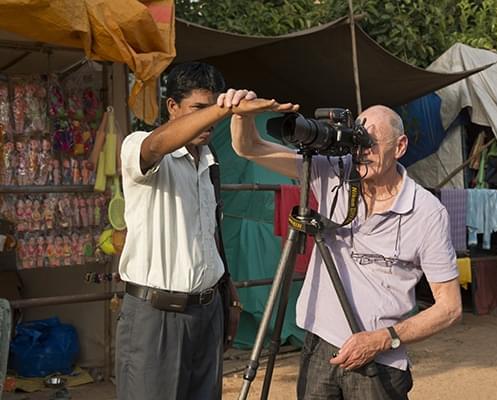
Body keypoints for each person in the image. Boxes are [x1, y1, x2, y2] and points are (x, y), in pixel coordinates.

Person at [230, 104, 462, 399]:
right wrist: (241, 114)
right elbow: (249, 147)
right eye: (358, 139)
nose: (362, 150)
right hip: (320, 346)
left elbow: (450, 308)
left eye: (372, 141)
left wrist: (382, 339)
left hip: (380, 357)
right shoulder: (333, 175)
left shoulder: (427, 212)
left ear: (400, 146)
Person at [116, 62, 297, 400]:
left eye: (215, 110)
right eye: (200, 110)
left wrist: (228, 296)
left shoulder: (209, 162)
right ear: (172, 107)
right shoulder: (142, 145)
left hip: (206, 313)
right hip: (156, 318)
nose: (211, 120)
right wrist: (222, 109)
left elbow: (210, 233)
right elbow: (155, 146)